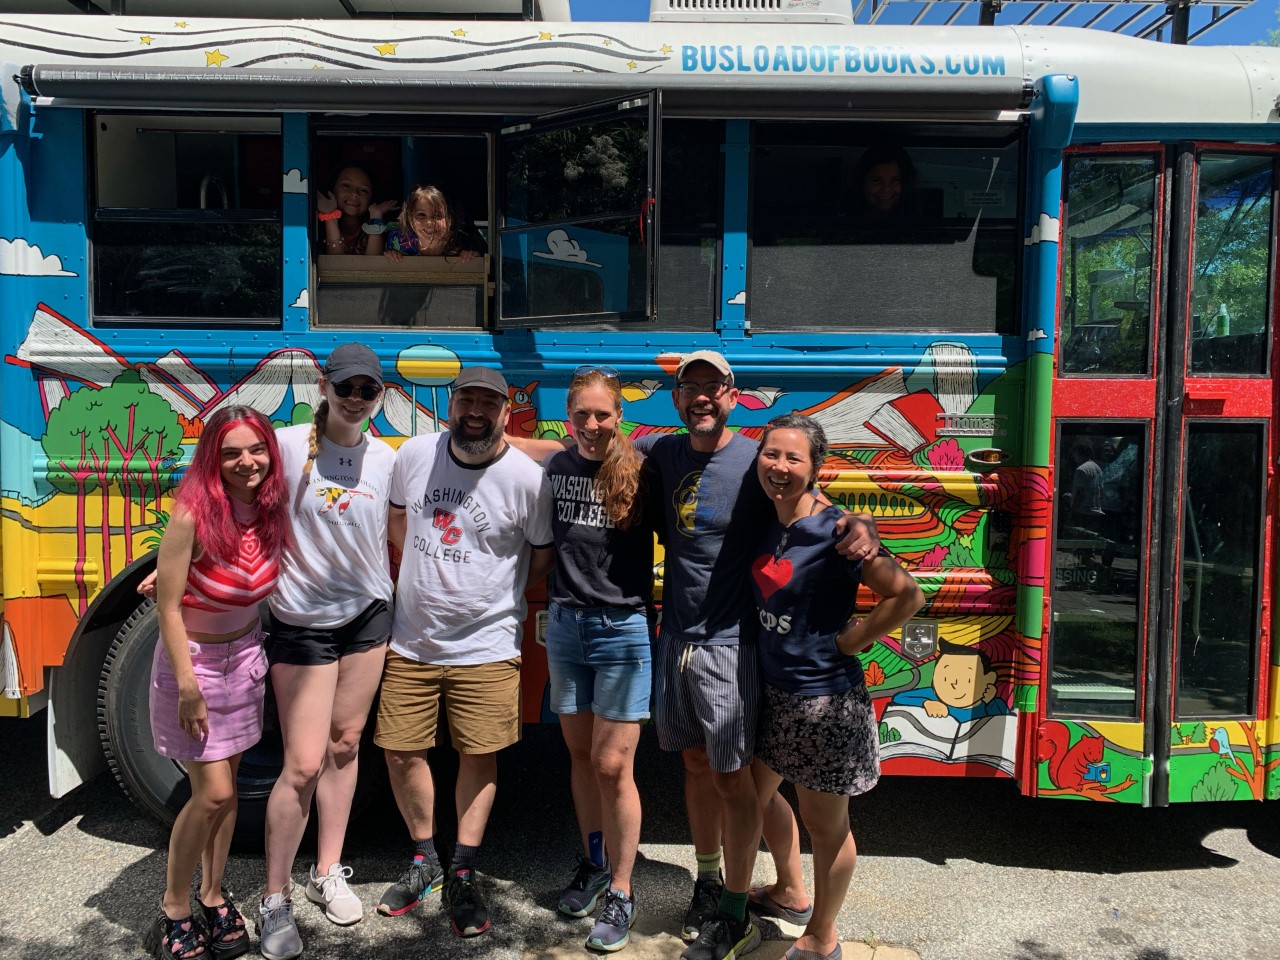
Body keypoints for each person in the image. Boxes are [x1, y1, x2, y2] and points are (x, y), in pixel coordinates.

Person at [629, 352, 879, 960]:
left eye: (713, 387)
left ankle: (738, 908)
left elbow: (811, 502)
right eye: (690, 387)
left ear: (732, 395)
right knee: (702, 769)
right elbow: (591, 446)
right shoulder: (663, 454)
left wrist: (859, 524)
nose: (701, 397)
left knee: (736, 783)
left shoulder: (754, 458)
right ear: (677, 396)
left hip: (734, 646)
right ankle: (726, 881)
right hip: (679, 638)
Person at [374, 365, 553, 940]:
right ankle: (425, 859)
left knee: (479, 755)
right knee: (401, 751)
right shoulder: (416, 455)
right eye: (466, 398)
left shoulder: (528, 479)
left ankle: (463, 869)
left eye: (488, 402)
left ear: (506, 411)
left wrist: (487, 591)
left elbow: (540, 557)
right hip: (413, 638)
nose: (475, 410)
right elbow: (398, 516)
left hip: (488, 641)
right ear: (451, 404)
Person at [747, 413, 924, 960]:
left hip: (824, 701)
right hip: (772, 693)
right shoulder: (766, 518)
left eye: (793, 458)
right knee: (753, 797)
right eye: (771, 454)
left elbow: (906, 596)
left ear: (816, 468)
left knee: (826, 827)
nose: (779, 467)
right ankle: (789, 889)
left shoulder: (838, 532)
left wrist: (853, 641)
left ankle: (823, 935)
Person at [256, 344, 397, 959]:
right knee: (303, 763)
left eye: (368, 390)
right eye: (346, 387)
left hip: (369, 616)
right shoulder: (285, 446)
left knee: (345, 745)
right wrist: (183, 566)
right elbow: (227, 499)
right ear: (324, 384)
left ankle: (327, 872)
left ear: (380, 397)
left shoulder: (388, 458)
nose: (356, 398)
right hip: (302, 623)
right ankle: (273, 897)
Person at [142, 406, 289, 960]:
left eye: (256, 449)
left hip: (246, 659)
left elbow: (324, 438)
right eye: (231, 452)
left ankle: (212, 892)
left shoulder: (271, 507)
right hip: (197, 667)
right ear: (212, 457)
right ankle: (174, 907)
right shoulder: (193, 515)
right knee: (214, 795)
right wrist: (186, 685)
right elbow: (168, 606)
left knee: (226, 801)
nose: (246, 462)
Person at [542, 366, 654, 953]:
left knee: (614, 765)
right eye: (581, 414)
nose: (591, 424)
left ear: (619, 418)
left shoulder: (640, 469)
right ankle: (590, 865)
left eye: (602, 414)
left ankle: (621, 887)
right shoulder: (558, 464)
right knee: (582, 757)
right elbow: (517, 446)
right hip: (565, 625)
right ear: (569, 418)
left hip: (622, 629)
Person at [382, 184, 487, 263]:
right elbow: (379, 260)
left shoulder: (462, 243)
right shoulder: (398, 240)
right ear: (410, 218)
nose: (429, 222)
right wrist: (391, 255)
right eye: (421, 215)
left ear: (451, 219)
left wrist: (471, 256)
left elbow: (481, 263)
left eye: (438, 216)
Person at [316, 166, 401, 256]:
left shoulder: (374, 229)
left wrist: (376, 216)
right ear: (333, 189)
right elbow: (335, 261)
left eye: (364, 190)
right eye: (346, 186)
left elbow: (373, 264)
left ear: (371, 198)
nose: (354, 193)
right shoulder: (317, 228)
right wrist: (329, 214)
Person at [848, 145, 918, 222]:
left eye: (895, 180)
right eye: (877, 180)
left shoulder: (921, 224)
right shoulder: (843, 223)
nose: (886, 188)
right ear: (862, 182)